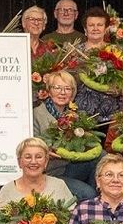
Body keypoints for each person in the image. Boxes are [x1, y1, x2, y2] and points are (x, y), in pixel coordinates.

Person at [32, 70, 96, 201]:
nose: (62, 92)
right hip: (49, 172)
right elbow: (31, 148)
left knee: (101, 156)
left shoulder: (75, 115)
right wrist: (46, 151)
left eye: (67, 88)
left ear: (73, 93)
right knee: (88, 194)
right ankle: (90, 200)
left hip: (70, 167)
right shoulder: (36, 114)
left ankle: (98, 197)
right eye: (57, 88)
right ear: (48, 91)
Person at [72, 7, 123, 121]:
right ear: (85, 29)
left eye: (99, 25)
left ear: (106, 29)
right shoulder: (75, 51)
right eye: (91, 25)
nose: (95, 28)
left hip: (113, 112)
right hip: (83, 112)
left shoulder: (116, 50)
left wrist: (119, 87)